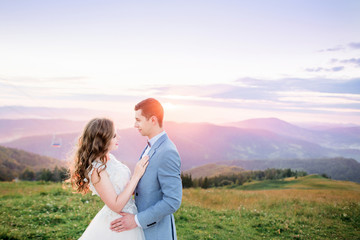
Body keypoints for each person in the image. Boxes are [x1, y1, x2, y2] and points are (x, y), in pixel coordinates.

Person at [110, 98, 183, 240]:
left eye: (138, 120)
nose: (135, 125)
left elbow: (173, 201)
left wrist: (136, 220)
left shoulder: (167, 152)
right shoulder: (151, 145)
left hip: (157, 233)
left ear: (153, 120)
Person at [70, 118, 149, 240]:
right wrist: (136, 176)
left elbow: (121, 187)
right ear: (102, 140)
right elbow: (116, 205)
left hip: (130, 216)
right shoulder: (97, 170)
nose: (118, 138)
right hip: (117, 223)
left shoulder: (109, 158)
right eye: (114, 136)